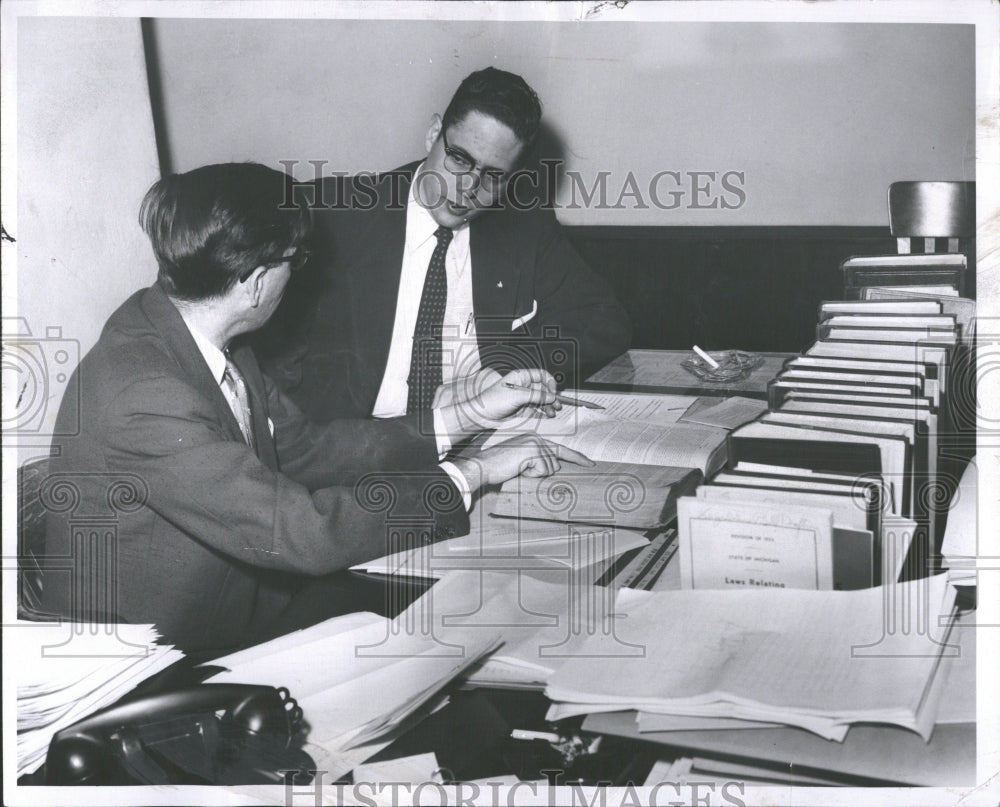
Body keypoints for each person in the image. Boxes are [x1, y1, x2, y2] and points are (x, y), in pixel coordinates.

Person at [39, 163, 589, 654]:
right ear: (255, 283)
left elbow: (307, 450)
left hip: (239, 608)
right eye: (293, 261)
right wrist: (471, 474)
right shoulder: (147, 398)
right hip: (161, 666)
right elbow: (303, 532)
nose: (299, 276)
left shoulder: (197, 332)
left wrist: (466, 415)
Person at [258, 66, 631, 423]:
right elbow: (266, 363)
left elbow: (601, 319)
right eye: (459, 159)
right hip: (354, 447)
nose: (469, 188)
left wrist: (499, 369)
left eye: (493, 177)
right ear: (434, 133)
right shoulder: (332, 214)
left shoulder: (523, 225)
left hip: (473, 437)